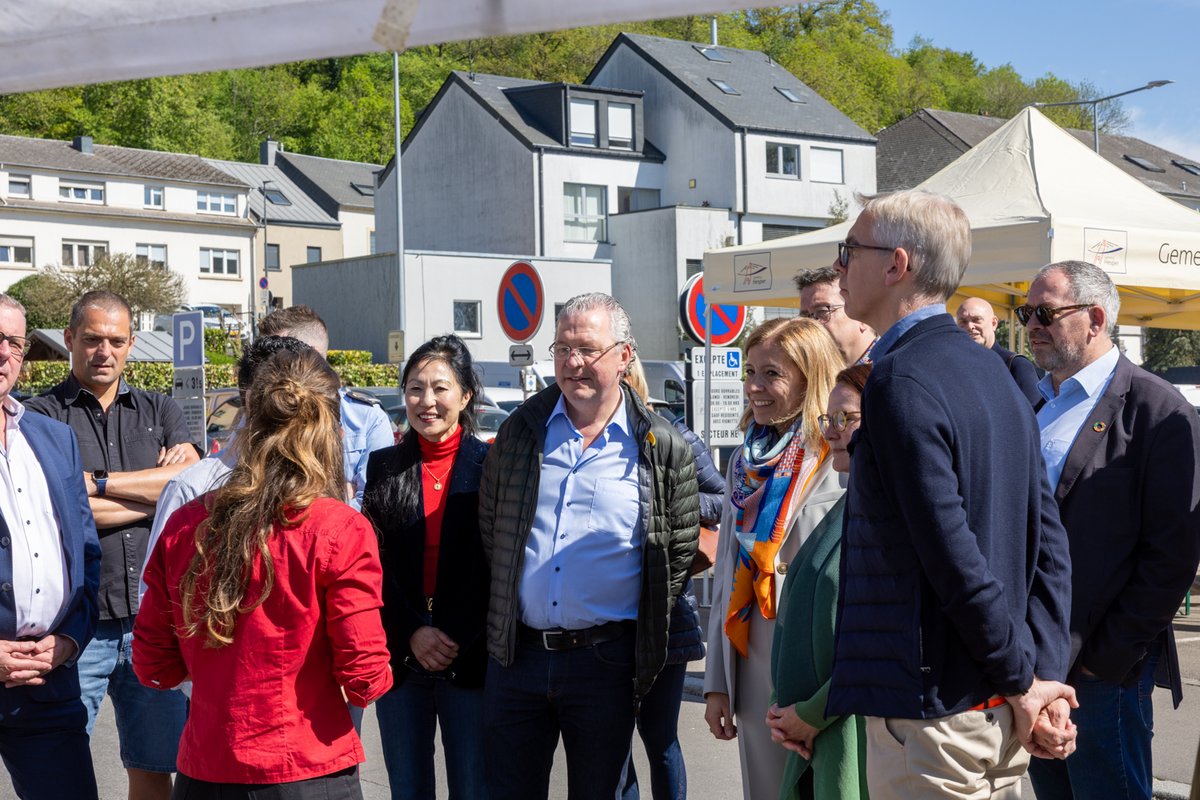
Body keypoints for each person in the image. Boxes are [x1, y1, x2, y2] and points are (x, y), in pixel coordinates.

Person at [826, 189, 1077, 799]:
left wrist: (1025, 682)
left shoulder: (898, 379)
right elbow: (1049, 545)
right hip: (991, 706)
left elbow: (950, 552)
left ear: (897, 264)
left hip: (937, 711)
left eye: (849, 249)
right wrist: (1039, 676)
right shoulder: (997, 371)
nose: (839, 266)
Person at [133, 346, 394, 797]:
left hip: (208, 766)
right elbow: (364, 675)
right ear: (331, 430)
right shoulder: (341, 529)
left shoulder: (187, 524)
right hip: (307, 767)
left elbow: (154, 663)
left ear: (250, 422)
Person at [478, 292, 699, 800]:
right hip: (518, 658)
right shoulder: (519, 433)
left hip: (606, 663)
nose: (573, 362)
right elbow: (495, 531)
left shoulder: (660, 445)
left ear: (624, 356)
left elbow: (675, 555)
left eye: (587, 349)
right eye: (562, 348)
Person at [1021, 260, 1200, 800]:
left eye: (1045, 313)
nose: (1031, 325)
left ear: (1096, 318)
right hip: (1034, 662)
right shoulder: (1032, 400)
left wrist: (1106, 661)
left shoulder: (1158, 409)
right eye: (1026, 313)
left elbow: (1172, 556)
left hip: (1101, 671)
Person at [25, 290, 198, 800]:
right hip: (78, 624)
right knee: (60, 766)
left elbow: (189, 486)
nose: (105, 351)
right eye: (93, 339)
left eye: (116, 341)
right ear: (69, 339)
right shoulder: (40, 416)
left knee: (154, 766)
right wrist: (154, 496)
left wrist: (95, 485)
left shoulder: (160, 409)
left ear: (131, 344)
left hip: (153, 618)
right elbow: (55, 508)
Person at [703, 316, 846, 800]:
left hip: (821, 665)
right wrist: (718, 683)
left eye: (771, 374)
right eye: (750, 372)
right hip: (755, 663)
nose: (754, 387)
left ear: (811, 378)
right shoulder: (743, 461)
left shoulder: (840, 454)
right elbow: (727, 571)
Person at [361, 335, 491, 800]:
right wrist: (413, 630)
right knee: (408, 788)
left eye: (440, 388)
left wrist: (452, 633)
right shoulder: (383, 466)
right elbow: (372, 561)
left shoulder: (491, 465)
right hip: (401, 654)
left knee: (474, 788)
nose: (427, 401)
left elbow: (497, 564)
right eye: (415, 389)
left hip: (469, 654)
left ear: (465, 395)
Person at [0, 294, 102, 800]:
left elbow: (86, 556)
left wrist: (70, 641)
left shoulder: (54, 438)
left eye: (14, 342)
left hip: (47, 684)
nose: (3, 353)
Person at [139, 335, 314, 602]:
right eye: (286, 392)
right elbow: (155, 598)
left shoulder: (318, 483)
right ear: (252, 398)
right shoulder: (193, 488)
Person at [766, 363, 872, 800]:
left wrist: (811, 714)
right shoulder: (851, 502)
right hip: (814, 727)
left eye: (846, 418)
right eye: (829, 418)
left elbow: (877, 638)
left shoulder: (887, 514)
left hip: (851, 727)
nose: (831, 431)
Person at [619, 358, 724, 800]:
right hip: (607, 618)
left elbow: (722, 498)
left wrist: (672, 499)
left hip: (667, 612)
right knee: (614, 743)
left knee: (660, 737)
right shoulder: (588, 445)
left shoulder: (674, 436)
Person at [258, 305, 393, 511]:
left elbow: (373, 507)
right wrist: (339, 495)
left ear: (314, 355)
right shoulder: (259, 414)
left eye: (277, 357)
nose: (266, 369)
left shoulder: (368, 418)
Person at [955, 296, 1041, 404]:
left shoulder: (1017, 366)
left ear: (994, 323)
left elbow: (1036, 412)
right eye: (963, 321)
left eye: (976, 320)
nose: (969, 326)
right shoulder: (955, 367)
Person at [795, 266, 877, 365]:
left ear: (862, 316)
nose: (812, 324)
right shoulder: (809, 372)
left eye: (822, 311)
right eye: (805, 317)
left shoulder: (890, 368)